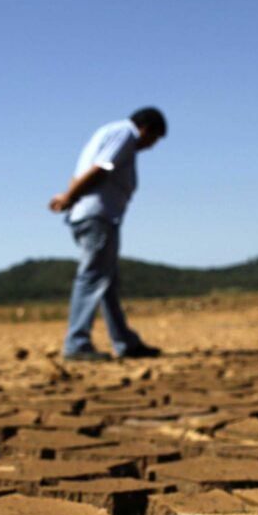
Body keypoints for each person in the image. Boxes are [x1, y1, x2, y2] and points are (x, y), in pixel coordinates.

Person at [48, 107, 167, 361]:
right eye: (154, 139)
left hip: (90, 214)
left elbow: (81, 172)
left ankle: (125, 342)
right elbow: (101, 167)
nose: (151, 146)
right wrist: (69, 197)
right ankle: (76, 343)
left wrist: (70, 198)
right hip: (98, 216)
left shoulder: (106, 132)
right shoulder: (125, 134)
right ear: (146, 128)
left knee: (107, 282)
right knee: (92, 277)